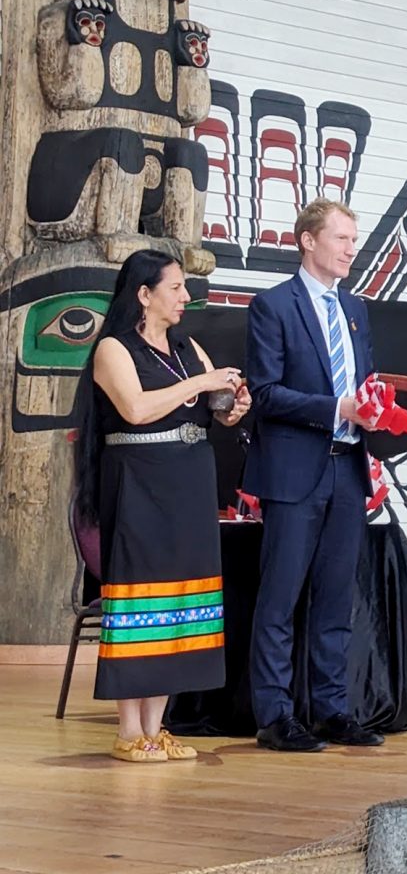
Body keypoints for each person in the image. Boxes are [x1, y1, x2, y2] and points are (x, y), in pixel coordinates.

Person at [71, 249, 249, 762]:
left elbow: (215, 408)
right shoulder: (114, 349)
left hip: (189, 482)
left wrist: (233, 405)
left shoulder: (186, 345)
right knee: (140, 598)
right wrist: (199, 383)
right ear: (144, 295)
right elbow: (136, 408)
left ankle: (157, 727)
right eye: (175, 288)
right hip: (139, 484)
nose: (185, 297)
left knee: (180, 602)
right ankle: (129, 730)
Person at [244, 199, 383, 752]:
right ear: (308, 240)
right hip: (295, 471)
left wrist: (372, 412)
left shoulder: (356, 309)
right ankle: (275, 715)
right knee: (280, 599)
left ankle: (331, 708)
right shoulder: (273, 306)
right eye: (342, 238)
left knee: (334, 598)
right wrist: (337, 409)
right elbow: (265, 393)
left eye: (354, 239)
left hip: (347, 468)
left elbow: (363, 383)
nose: (352, 249)